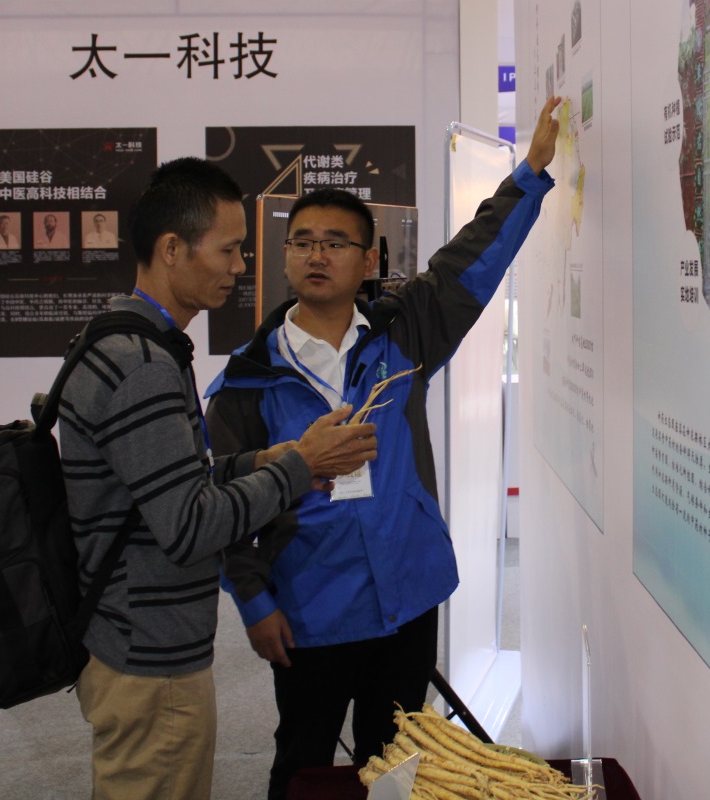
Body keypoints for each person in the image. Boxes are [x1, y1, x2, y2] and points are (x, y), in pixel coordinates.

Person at [205, 96, 563, 799]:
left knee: (398, 762)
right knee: (304, 762)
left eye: (336, 242)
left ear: (369, 259)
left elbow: (470, 260)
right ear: (285, 255)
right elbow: (222, 501)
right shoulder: (248, 380)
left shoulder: (405, 333)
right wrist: (252, 601)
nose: (317, 255)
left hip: (407, 597)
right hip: (309, 609)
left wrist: (530, 174)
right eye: (302, 241)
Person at [59, 157, 378, 800]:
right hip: (150, 660)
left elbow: (168, 483)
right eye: (228, 250)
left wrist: (264, 462)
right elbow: (189, 527)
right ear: (172, 249)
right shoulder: (143, 365)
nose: (239, 266)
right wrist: (301, 467)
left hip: (137, 642)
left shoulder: (134, 342)